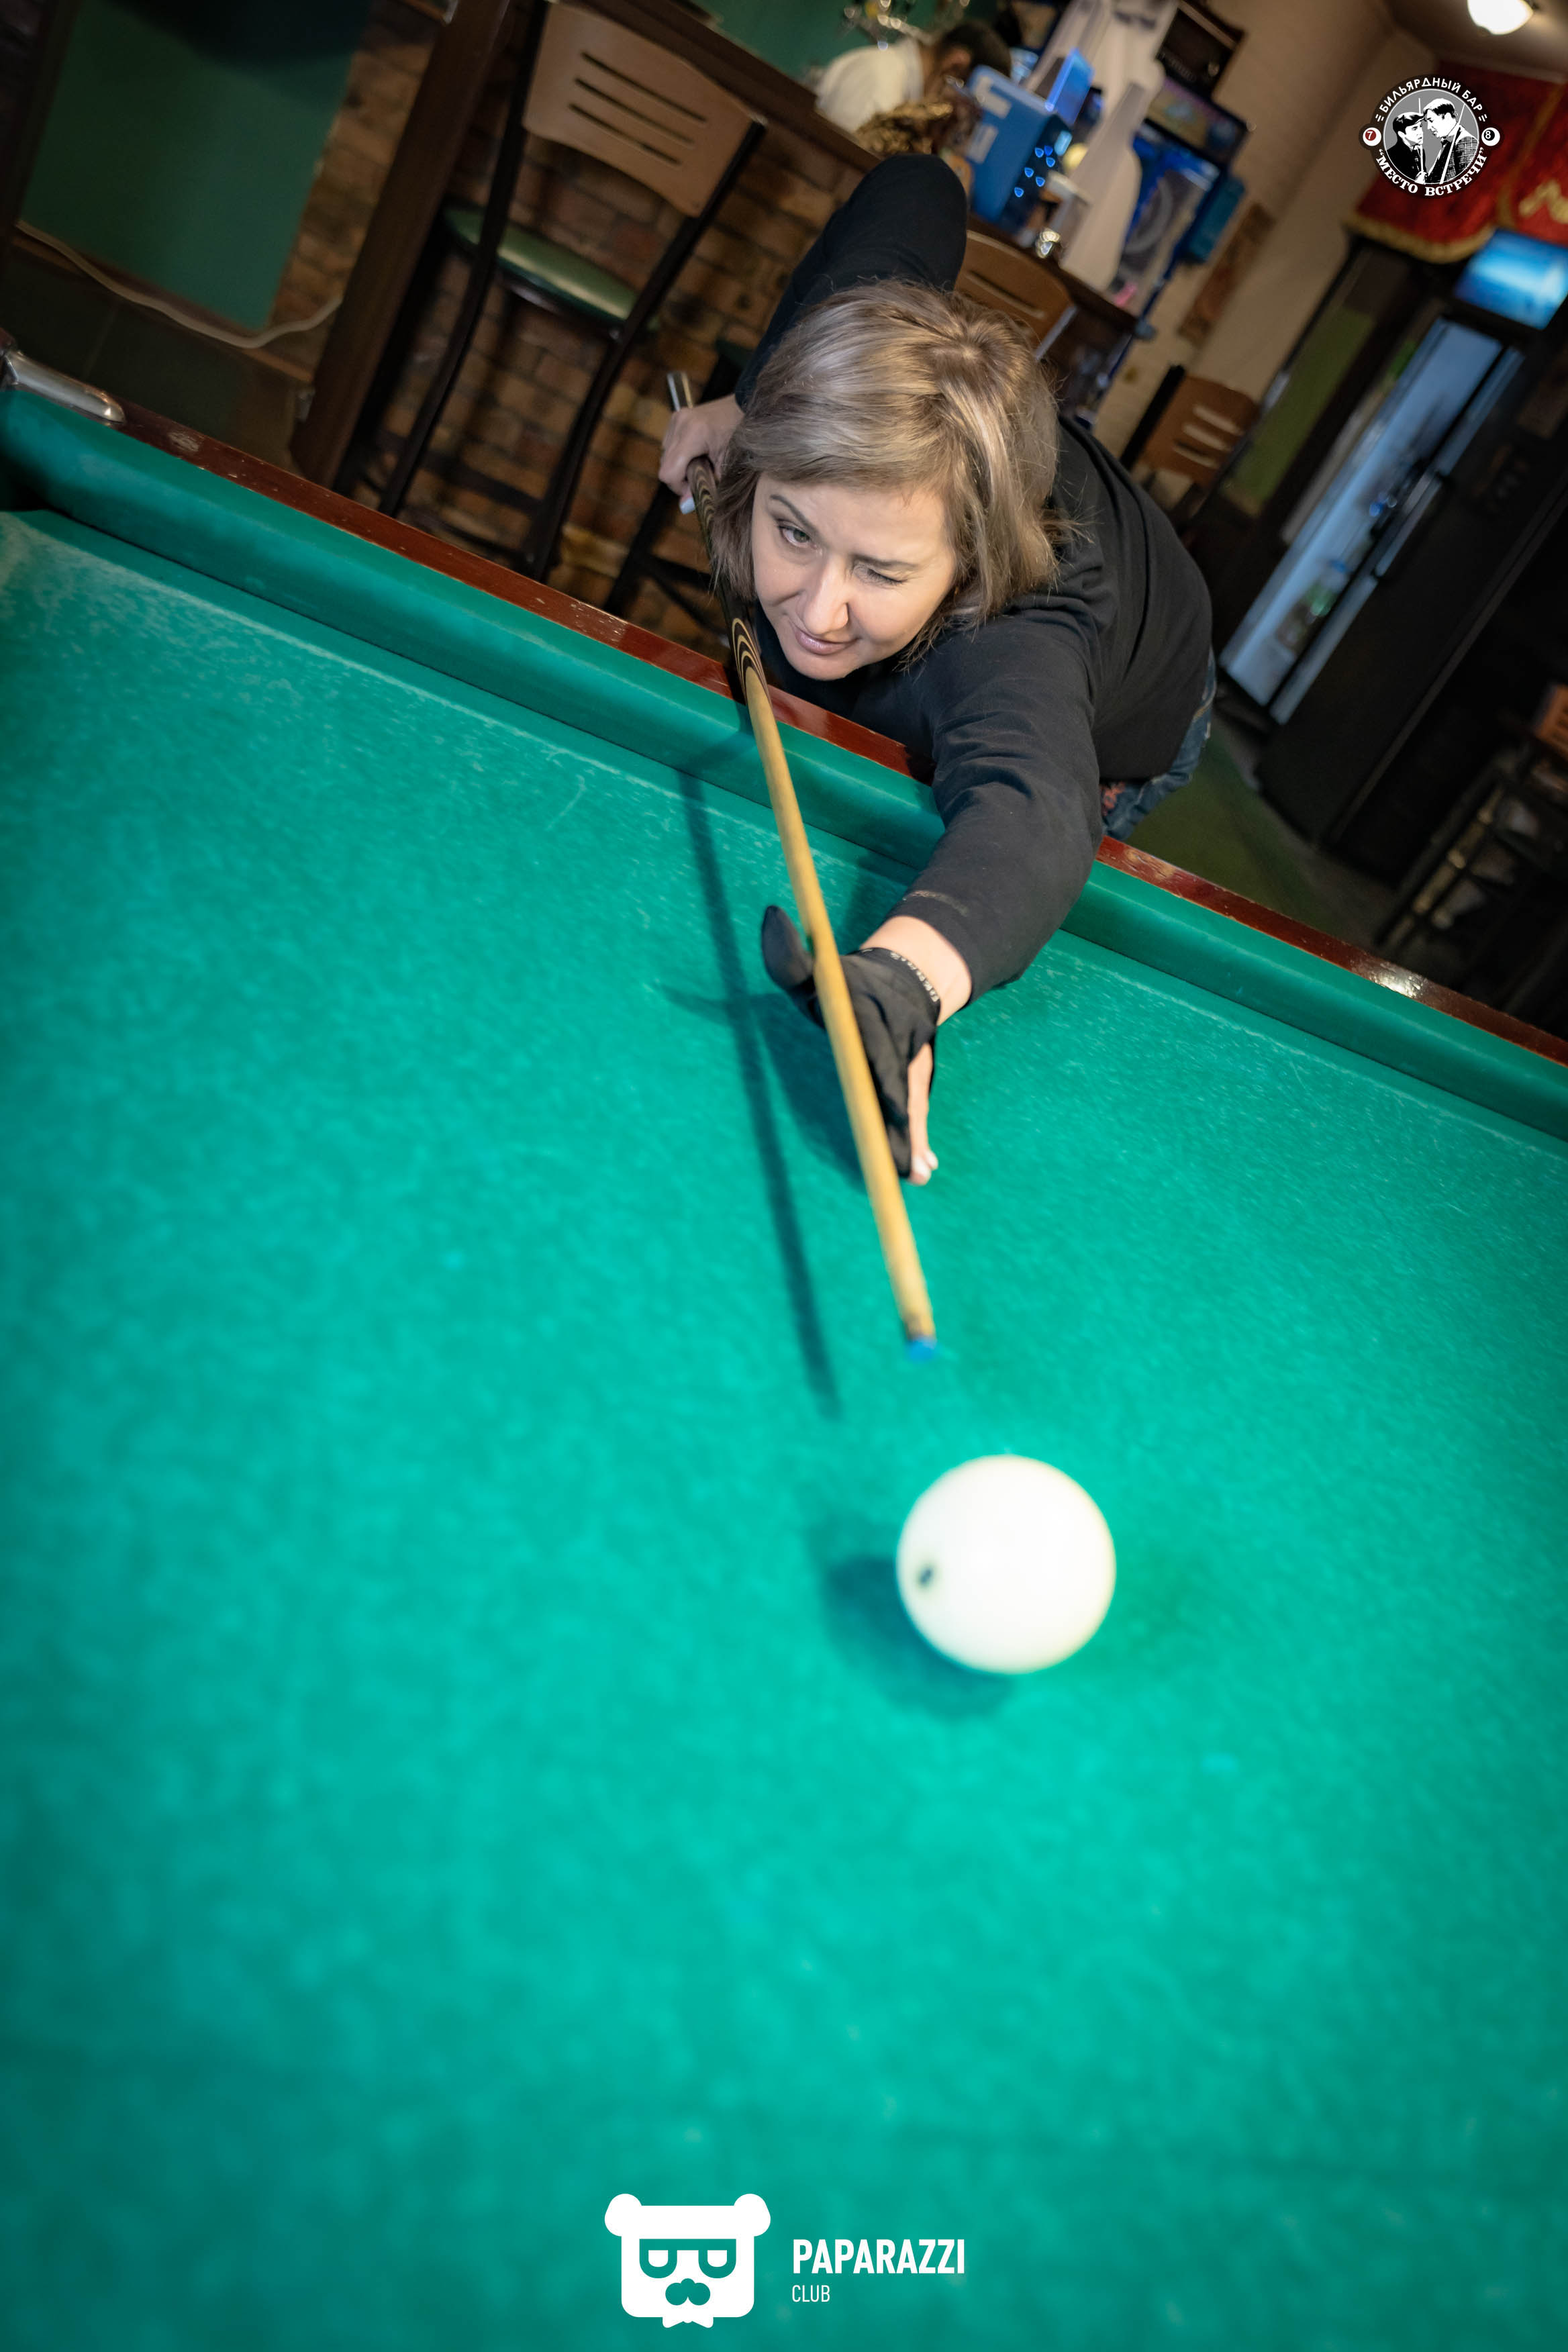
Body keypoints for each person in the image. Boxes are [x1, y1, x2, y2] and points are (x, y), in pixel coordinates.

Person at [660, 156, 1213, 1185]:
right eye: (793, 530)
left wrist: (901, 984)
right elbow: (924, 182)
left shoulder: (1010, 634)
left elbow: (1035, 810)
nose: (815, 608)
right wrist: (745, 403)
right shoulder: (823, 361)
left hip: (1142, 694)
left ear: (960, 567)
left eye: (878, 569)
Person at [815, 21, 1014, 137]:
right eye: (964, 107)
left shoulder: (900, 90)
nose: (956, 121)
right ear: (955, 65)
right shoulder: (881, 80)